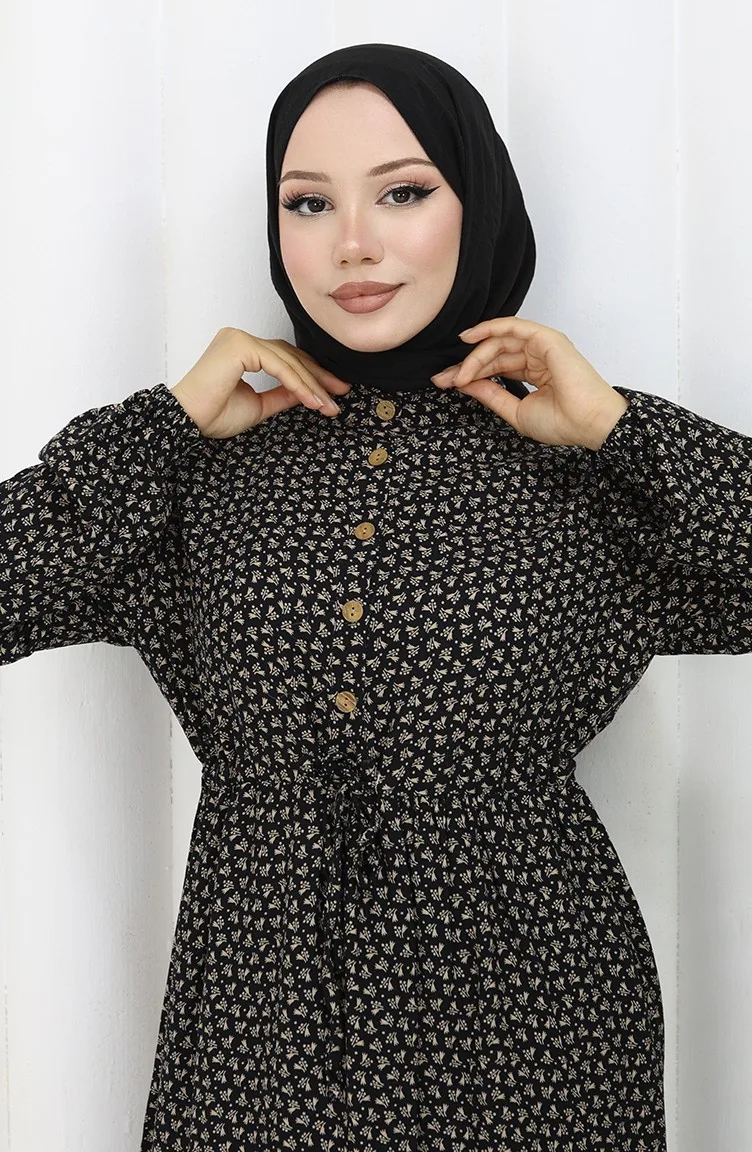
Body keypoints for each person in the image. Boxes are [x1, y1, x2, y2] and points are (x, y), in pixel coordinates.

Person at [2, 41, 751, 1152]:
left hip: (532, 1043)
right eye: (307, 203)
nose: (351, 243)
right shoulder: (199, 471)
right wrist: (164, 424)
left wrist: (616, 429)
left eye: (403, 193)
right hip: (255, 1045)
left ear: (477, 204)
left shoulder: (585, 465)